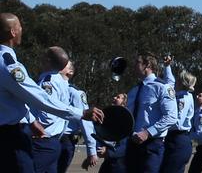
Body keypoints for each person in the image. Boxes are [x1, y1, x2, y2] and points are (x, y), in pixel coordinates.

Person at [0, 13, 103, 173]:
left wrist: (32, 120)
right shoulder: (8, 64)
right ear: (13, 32)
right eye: (19, 26)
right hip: (11, 137)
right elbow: (39, 98)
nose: (22, 29)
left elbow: (13, 99)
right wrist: (80, 113)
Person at [125, 52, 178, 173]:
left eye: (137, 62)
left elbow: (171, 117)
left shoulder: (162, 87)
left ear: (147, 65)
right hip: (132, 144)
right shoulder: (134, 90)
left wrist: (148, 133)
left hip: (152, 145)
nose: (134, 66)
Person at [57, 60, 98, 173]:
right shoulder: (49, 86)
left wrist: (91, 150)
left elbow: (86, 121)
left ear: (70, 72)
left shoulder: (75, 93)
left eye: (63, 64)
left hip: (64, 141)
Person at [160, 56, 196, 173]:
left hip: (177, 140)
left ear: (181, 82)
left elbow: (176, 121)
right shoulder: (184, 95)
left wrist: (157, 127)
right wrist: (167, 67)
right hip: (178, 139)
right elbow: (170, 81)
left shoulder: (182, 98)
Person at [98, 93, 129, 173]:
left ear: (124, 103)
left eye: (118, 97)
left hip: (120, 163)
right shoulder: (111, 118)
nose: (114, 97)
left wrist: (108, 152)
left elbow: (125, 144)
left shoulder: (127, 120)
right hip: (108, 161)